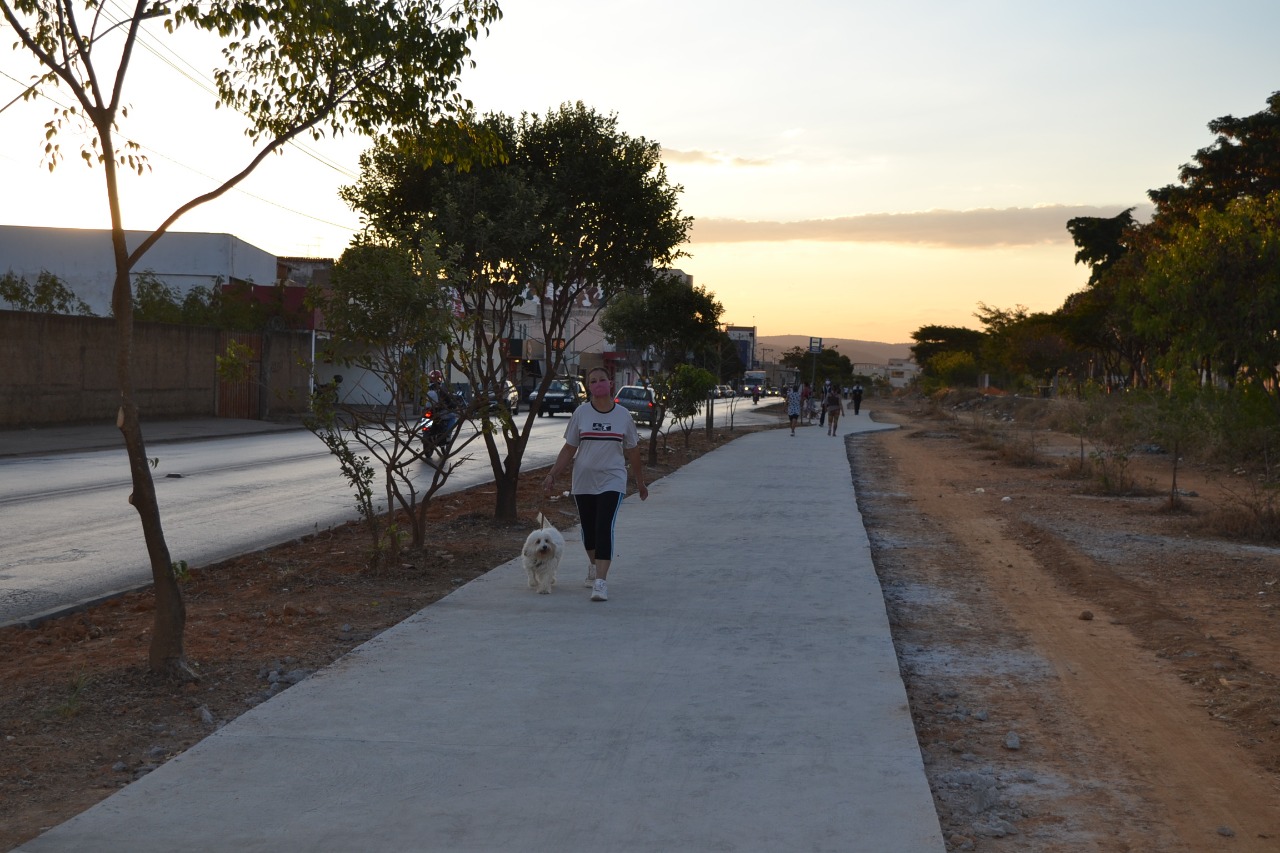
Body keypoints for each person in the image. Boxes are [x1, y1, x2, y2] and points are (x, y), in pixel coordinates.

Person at [542, 367, 648, 602]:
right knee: (588, 531)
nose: (598, 384)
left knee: (604, 526)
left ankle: (600, 582)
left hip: (613, 479)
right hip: (583, 481)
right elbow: (569, 448)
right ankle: (594, 564)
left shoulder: (623, 416)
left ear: (610, 384)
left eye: (602, 380)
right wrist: (552, 474)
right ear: (588, 386)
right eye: (593, 381)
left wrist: (640, 483)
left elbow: (632, 450)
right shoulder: (581, 413)